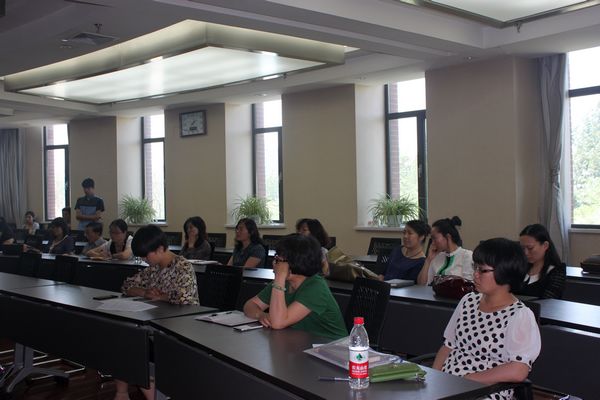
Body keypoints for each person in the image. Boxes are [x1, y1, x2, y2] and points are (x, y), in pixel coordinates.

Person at [432, 238, 541, 400]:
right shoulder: (468, 301)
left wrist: (467, 380)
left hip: (486, 390)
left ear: (504, 272)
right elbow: (448, 346)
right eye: (475, 267)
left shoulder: (520, 315)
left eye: (482, 270)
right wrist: (434, 378)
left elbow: (518, 370)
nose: (475, 274)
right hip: (450, 384)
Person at [117, 225, 199, 400]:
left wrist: (161, 296)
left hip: (179, 327)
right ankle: (122, 393)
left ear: (160, 249)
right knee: (121, 333)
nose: (144, 260)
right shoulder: (154, 268)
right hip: (157, 322)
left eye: (146, 255)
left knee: (130, 340)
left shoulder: (183, 266)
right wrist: (145, 293)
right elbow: (126, 285)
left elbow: (184, 297)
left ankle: (153, 390)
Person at [243, 234, 347, 340]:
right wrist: (260, 315)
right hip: (301, 341)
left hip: (330, 344)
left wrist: (279, 277)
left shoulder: (316, 287)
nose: (274, 263)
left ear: (295, 262)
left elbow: (278, 323)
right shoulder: (286, 282)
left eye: (278, 259)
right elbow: (250, 305)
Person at [417, 216, 473, 285]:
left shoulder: (467, 255)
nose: (432, 242)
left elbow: (468, 285)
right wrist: (428, 260)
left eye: (434, 238)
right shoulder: (437, 256)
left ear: (448, 236)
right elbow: (421, 284)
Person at [517, 224, 565, 299]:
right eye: (522, 248)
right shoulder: (519, 267)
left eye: (530, 248)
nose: (526, 253)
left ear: (545, 245)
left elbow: (549, 300)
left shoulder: (557, 271)